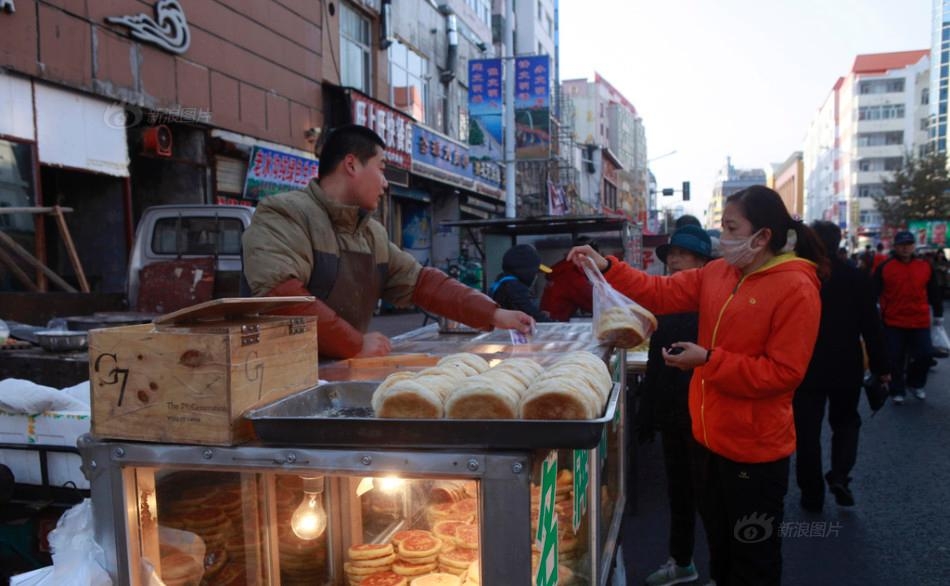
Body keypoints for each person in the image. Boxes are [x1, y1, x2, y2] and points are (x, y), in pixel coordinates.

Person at [568, 185, 827, 586]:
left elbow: (783, 373)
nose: (722, 236)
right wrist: (606, 267)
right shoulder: (718, 272)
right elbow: (659, 291)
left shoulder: (796, 287)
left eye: (731, 226)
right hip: (707, 438)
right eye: (722, 225)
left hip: (754, 450)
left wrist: (708, 360)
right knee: (720, 545)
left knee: (754, 555)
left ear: (762, 237)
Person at [241, 125, 533, 359]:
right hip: (285, 375)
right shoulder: (284, 213)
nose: (385, 182)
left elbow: (421, 282)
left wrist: (495, 313)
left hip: (344, 372)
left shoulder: (371, 234)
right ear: (352, 165)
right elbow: (282, 297)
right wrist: (354, 344)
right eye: (381, 168)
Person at [794, 221, 890, 513]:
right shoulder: (857, 277)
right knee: (846, 423)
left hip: (805, 366)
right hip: (846, 365)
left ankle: (812, 495)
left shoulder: (799, 276)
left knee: (807, 433)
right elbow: (872, 327)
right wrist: (881, 366)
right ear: (837, 243)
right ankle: (840, 475)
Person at [638, 225, 713, 586]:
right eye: (671, 257)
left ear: (702, 261)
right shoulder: (664, 301)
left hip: (706, 414)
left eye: (683, 255)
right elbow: (657, 361)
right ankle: (682, 561)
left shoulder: (715, 300)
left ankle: (725, 570)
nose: (675, 261)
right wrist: (648, 413)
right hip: (672, 412)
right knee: (679, 492)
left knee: (712, 497)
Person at [872, 230, 944, 403]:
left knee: (925, 355)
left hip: (919, 321)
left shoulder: (925, 266)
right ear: (895, 247)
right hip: (893, 321)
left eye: (909, 245)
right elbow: (873, 292)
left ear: (914, 246)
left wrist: (939, 316)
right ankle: (897, 389)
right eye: (902, 245)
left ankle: (915, 383)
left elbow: (934, 291)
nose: (905, 248)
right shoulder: (885, 267)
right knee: (895, 358)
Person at [489, 244, 552, 322]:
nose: (536, 277)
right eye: (535, 272)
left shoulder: (501, 281)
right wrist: (554, 324)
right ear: (526, 272)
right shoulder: (515, 288)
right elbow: (533, 315)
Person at [540, 236, 597, 321]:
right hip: (555, 322)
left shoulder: (564, 268)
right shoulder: (572, 273)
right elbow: (591, 302)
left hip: (549, 319)